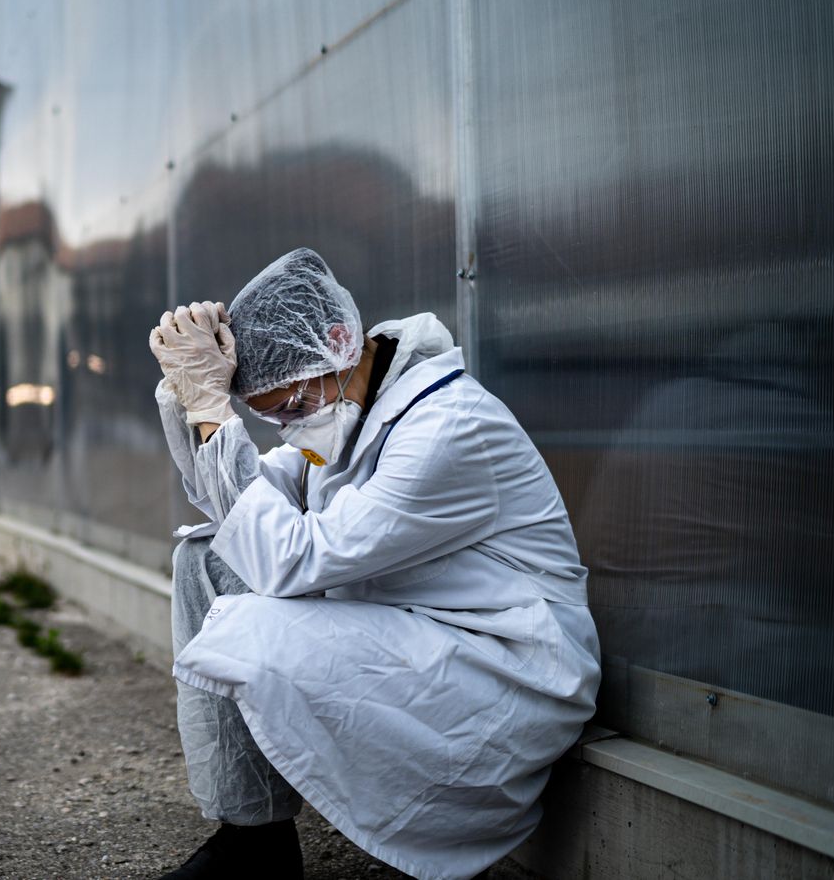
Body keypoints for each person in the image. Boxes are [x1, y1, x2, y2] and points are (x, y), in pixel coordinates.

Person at [147, 248, 600, 880]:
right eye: (270, 415)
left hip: (505, 662)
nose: (288, 428)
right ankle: (253, 843)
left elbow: (291, 560)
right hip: (419, 631)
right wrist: (190, 398)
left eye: (293, 408)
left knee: (252, 625)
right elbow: (237, 514)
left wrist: (212, 413)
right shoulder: (347, 413)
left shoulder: (448, 424)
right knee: (205, 561)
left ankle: (441, 833)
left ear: (338, 341)